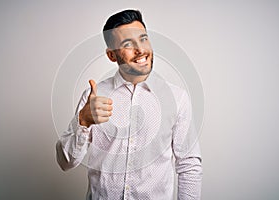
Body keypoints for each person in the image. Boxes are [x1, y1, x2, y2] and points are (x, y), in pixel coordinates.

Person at [56, 9, 202, 200]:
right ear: (112, 55)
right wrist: (82, 121)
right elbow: (65, 163)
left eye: (143, 39)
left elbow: (189, 165)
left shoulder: (177, 98)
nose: (140, 49)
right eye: (127, 44)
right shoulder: (94, 97)